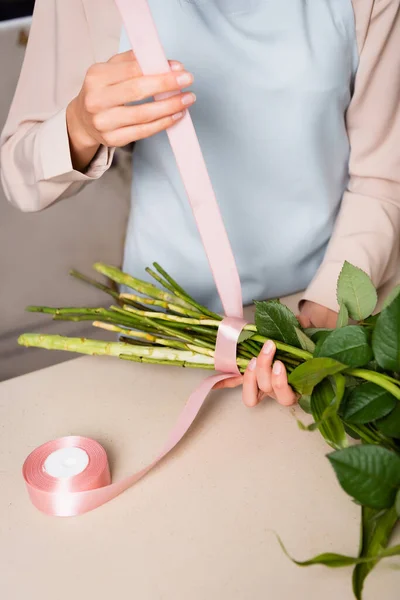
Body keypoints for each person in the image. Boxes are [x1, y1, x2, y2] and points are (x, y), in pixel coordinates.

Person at [1, 0, 400, 408]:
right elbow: (19, 179)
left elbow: (383, 179)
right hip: (170, 331)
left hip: (323, 308)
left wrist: (328, 313)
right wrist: (80, 126)